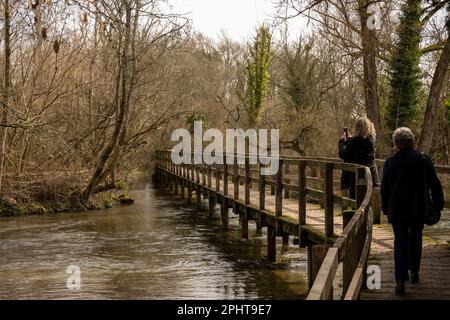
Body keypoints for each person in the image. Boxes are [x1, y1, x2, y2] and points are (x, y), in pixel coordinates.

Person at [381, 127, 444, 294]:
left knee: (400, 242)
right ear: (412, 142)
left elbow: (384, 189)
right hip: (417, 208)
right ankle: (414, 271)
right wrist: (438, 206)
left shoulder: (390, 162)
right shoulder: (422, 159)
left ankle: (400, 280)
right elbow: (435, 185)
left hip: (397, 209)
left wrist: (385, 208)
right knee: (416, 239)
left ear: (396, 144)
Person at [339, 117, 380, 199]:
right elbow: (359, 145)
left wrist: (342, 142)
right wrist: (350, 140)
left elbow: (343, 154)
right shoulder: (371, 140)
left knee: (355, 199)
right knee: (369, 200)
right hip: (370, 176)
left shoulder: (353, 142)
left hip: (354, 178)